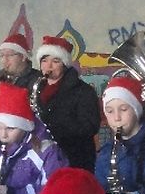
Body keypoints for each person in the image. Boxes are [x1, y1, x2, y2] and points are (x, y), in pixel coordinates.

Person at [33, 34, 100, 171]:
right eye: (44, 61)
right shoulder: (36, 89)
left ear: (64, 64)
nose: (49, 66)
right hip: (43, 158)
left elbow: (90, 126)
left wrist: (55, 125)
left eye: (55, 61)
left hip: (75, 159)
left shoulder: (83, 91)